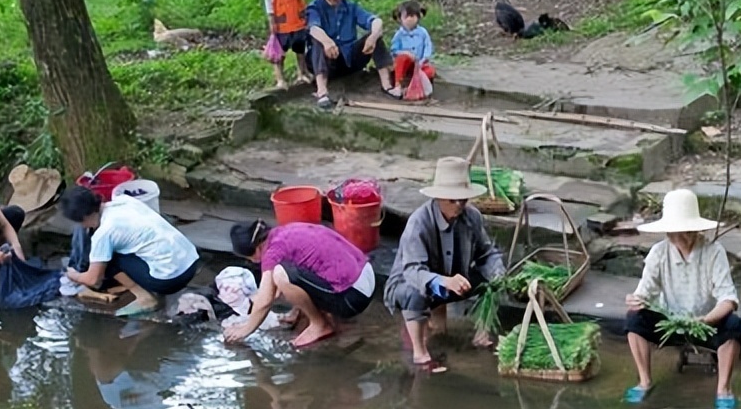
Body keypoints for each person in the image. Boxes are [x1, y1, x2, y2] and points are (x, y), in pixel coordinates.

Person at [624, 188, 741, 409]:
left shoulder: (714, 252)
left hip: (706, 323)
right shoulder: (659, 253)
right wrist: (635, 300)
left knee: (733, 324)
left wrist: (705, 320)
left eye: (685, 231)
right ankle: (644, 381)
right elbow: (644, 292)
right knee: (634, 320)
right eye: (675, 232)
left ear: (694, 230)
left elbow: (728, 300)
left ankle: (723, 389)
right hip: (669, 321)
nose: (680, 237)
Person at [384, 156, 505, 368]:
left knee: (492, 281)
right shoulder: (419, 222)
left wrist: (498, 272)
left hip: (454, 280)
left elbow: (487, 253)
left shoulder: (472, 217)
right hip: (415, 284)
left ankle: (482, 333)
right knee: (415, 292)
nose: (458, 205)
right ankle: (420, 353)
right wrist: (443, 281)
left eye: (463, 200)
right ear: (438, 198)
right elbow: (413, 270)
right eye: (452, 200)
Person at [225, 220, 375, 349]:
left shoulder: (272, 252)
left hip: (353, 297)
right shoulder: (285, 232)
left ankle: (319, 325)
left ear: (257, 249)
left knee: (281, 275)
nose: (252, 262)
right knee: (287, 274)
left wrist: (245, 329)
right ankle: (304, 312)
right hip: (365, 275)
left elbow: (265, 301)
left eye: (250, 258)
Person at [60, 186, 200, 317]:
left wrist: (74, 276)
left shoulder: (104, 234)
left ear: (84, 218)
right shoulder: (124, 201)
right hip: (191, 261)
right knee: (121, 246)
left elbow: (93, 279)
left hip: (172, 280)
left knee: (107, 258)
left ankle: (144, 298)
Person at [306, 0, 395, 108]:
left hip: (350, 60)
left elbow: (375, 21)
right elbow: (313, 28)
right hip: (328, 62)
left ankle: (387, 85)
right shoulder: (315, 7)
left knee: (375, 36)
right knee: (318, 41)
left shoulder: (351, 7)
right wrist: (327, 41)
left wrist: (373, 36)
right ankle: (322, 91)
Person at [262, 0, 314, 90]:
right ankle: (280, 79)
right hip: (281, 23)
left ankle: (302, 72)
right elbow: (269, 0)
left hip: (297, 21)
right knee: (280, 53)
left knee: (300, 49)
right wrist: (272, 21)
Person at [389, 0, 435, 100]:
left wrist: (423, 60)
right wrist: (405, 53)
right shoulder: (399, 34)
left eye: (412, 16)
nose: (409, 19)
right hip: (406, 63)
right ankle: (398, 86)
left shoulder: (422, 32)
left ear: (418, 17)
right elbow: (394, 50)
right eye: (406, 17)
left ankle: (413, 88)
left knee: (430, 71)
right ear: (400, 18)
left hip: (419, 64)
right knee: (402, 59)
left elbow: (428, 47)